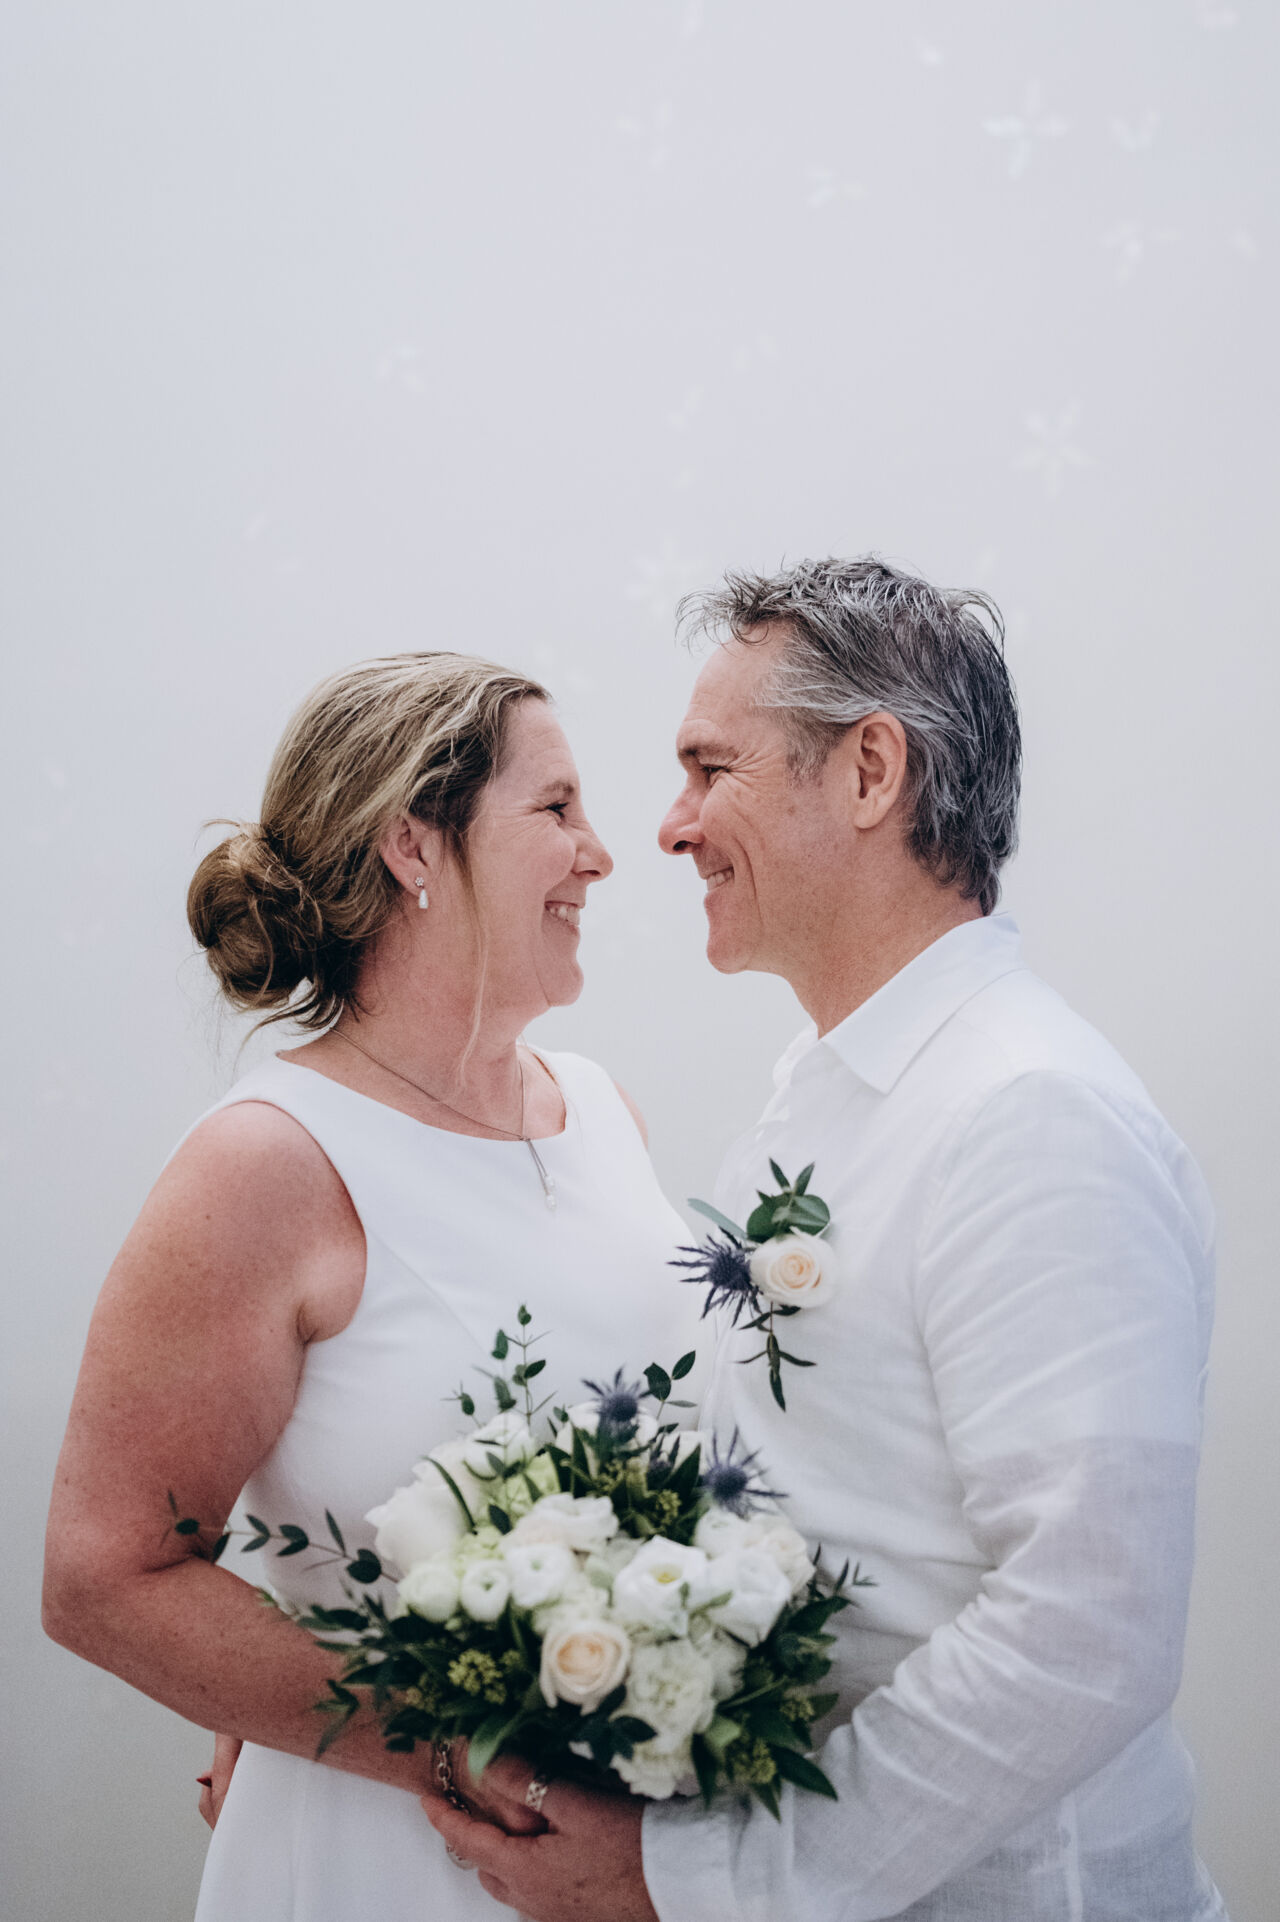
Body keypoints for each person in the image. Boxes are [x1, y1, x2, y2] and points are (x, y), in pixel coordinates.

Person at [427, 558, 1229, 1921]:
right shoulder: (825, 1088)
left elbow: (1086, 1623)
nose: (669, 827)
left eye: (709, 767)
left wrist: (699, 1880)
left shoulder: (1030, 1115)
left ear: (869, 772)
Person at [42, 651, 705, 1920]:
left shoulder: (599, 1111)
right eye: (555, 806)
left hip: (620, 1850)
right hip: (383, 1853)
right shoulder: (266, 1162)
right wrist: (451, 1748)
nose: (601, 853)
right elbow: (103, 1576)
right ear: (414, 844)